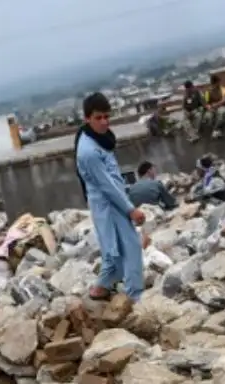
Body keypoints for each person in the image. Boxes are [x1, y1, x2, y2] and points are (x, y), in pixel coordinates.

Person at [73, 93, 145, 304]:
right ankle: (134, 296)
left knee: (114, 250)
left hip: (112, 200)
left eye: (107, 117)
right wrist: (130, 209)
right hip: (108, 203)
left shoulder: (96, 139)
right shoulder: (88, 151)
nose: (104, 122)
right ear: (87, 118)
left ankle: (102, 288)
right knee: (128, 247)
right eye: (98, 118)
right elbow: (107, 185)